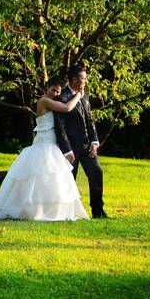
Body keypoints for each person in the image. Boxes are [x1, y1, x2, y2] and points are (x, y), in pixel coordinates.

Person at [0, 79, 90, 221]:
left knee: (52, 178)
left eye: (58, 91)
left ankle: (51, 209)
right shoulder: (44, 101)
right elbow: (67, 108)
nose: (55, 94)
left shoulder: (54, 102)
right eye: (53, 90)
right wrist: (78, 95)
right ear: (46, 88)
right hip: (43, 143)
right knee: (38, 175)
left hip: (52, 144)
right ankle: (33, 209)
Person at [54, 66, 107, 219]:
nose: (86, 81)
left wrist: (95, 141)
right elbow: (60, 128)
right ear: (75, 79)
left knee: (97, 173)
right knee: (69, 181)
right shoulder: (62, 98)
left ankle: (98, 211)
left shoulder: (85, 95)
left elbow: (90, 119)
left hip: (87, 147)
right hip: (71, 150)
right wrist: (67, 151)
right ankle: (66, 213)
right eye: (84, 78)